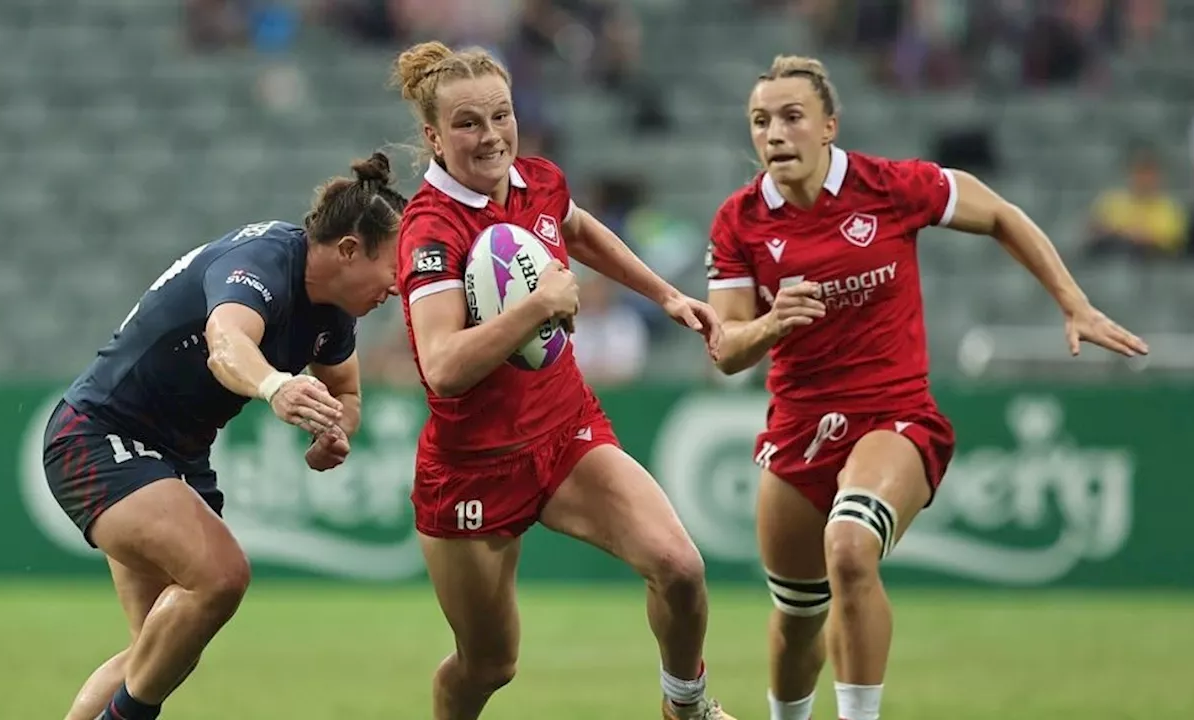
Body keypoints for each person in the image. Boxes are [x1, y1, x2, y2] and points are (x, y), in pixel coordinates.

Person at [705, 56, 1149, 720]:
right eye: (760, 121)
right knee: (798, 617)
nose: (774, 134)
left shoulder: (889, 186)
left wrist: (1073, 302)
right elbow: (726, 348)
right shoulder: (739, 221)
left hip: (894, 416)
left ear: (829, 125)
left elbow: (997, 213)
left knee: (851, 549)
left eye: (792, 117)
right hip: (797, 428)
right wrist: (772, 323)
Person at [389, 41, 733, 720]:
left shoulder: (537, 180)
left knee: (681, 569)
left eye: (501, 115)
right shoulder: (430, 231)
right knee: (489, 665)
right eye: (467, 123)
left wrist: (663, 295)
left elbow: (577, 229)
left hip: (565, 432)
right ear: (432, 135)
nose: (491, 136)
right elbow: (443, 367)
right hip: (473, 467)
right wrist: (536, 308)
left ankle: (684, 708)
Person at [42, 154, 407, 720]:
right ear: (349, 251)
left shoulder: (334, 314)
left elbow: (349, 394)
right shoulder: (262, 261)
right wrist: (275, 386)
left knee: (157, 654)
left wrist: (336, 430)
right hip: (101, 434)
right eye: (394, 263)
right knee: (221, 577)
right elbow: (226, 341)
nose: (399, 283)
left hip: (174, 456)